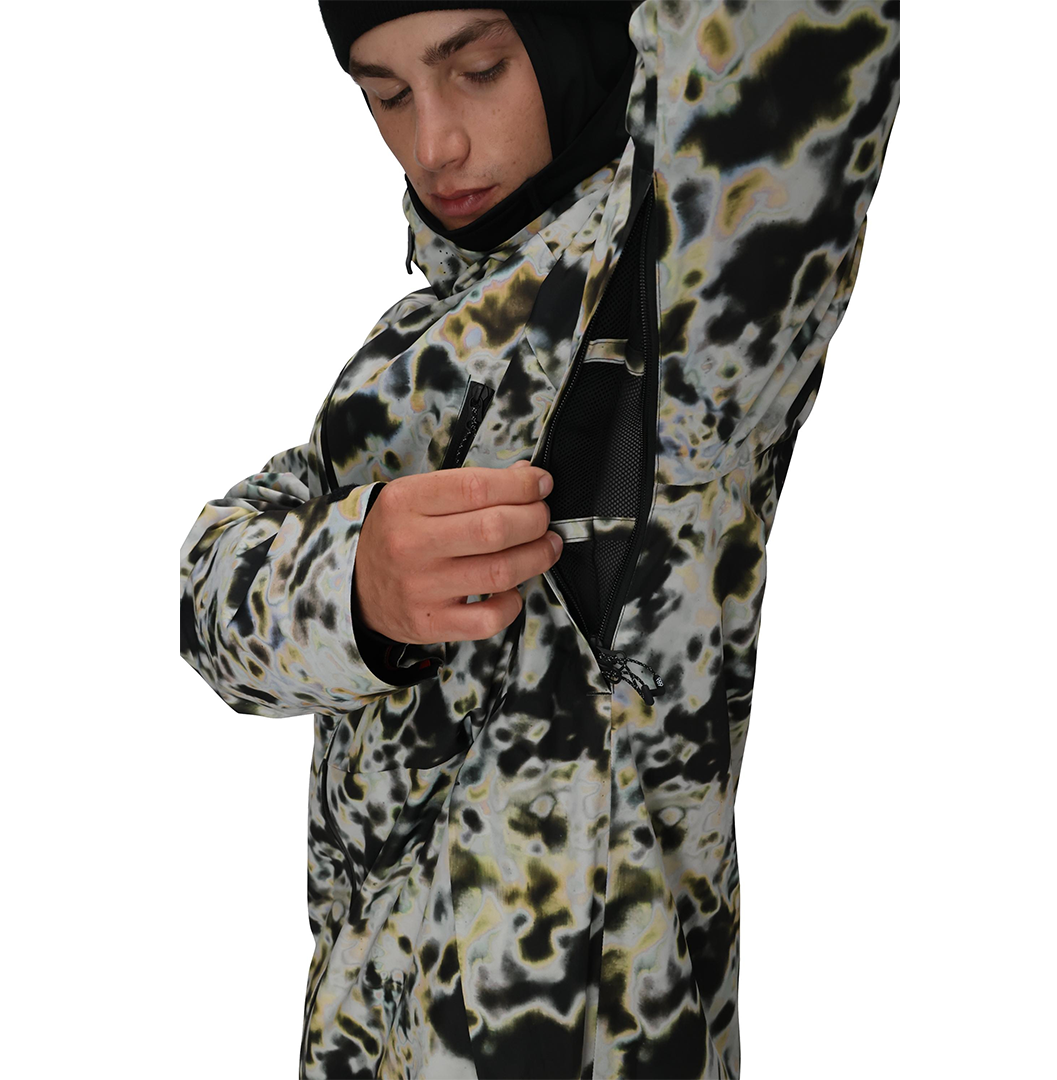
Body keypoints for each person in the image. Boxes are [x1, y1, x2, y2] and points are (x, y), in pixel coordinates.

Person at [179, 2, 900, 1076]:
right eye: (386, 95)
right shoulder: (406, 347)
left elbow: (789, 53)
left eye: (477, 69)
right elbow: (208, 592)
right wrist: (355, 585)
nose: (433, 144)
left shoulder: (675, 293)